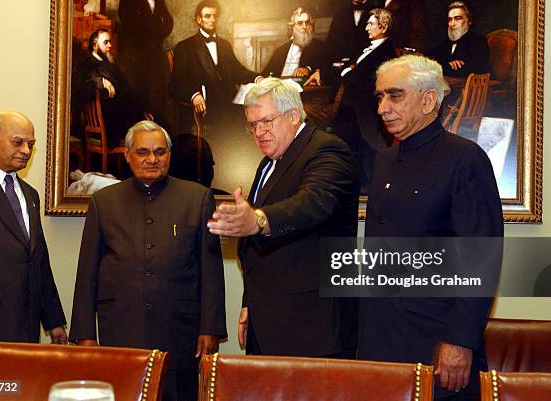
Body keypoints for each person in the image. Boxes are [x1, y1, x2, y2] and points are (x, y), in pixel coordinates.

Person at [358, 55, 503, 400]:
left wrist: (460, 340)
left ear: (427, 100)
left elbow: (480, 258)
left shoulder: (465, 158)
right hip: (378, 337)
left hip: (434, 341)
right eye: (379, 97)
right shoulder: (384, 162)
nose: (382, 108)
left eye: (394, 96)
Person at [70, 120, 226, 401]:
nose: (152, 159)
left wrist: (210, 328)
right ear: (128, 155)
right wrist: (84, 333)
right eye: (142, 152)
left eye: (160, 151)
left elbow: (211, 269)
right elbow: (87, 272)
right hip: (120, 333)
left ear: (169, 155)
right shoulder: (104, 202)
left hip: (181, 335)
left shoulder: (198, 198)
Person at [207, 77, 360, 358]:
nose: (259, 132)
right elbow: (258, 253)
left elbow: (313, 202)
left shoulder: (327, 149)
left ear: (292, 115)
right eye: (253, 125)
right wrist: (249, 302)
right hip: (268, 322)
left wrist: (259, 221)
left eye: (267, 121)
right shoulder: (269, 163)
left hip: (311, 328)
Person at [0, 111, 67, 359]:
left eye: (31, 144)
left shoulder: (31, 195)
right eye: (18, 142)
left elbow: (38, 261)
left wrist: (53, 319)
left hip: (24, 329)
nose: (27, 151)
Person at [168, 0, 259, 133]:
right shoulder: (185, 47)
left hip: (230, 104)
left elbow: (238, 71)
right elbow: (175, 84)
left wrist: (258, 78)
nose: (212, 20)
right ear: (199, 19)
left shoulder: (224, 45)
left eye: (214, 16)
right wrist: (194, 95)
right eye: (207, 16)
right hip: (205, 109)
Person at [336, 7, 396, 192]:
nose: (366, 28)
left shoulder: (386, 53)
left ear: (383, 27)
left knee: (365, 161)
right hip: (354, 112)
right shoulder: (370, 49)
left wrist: (346, 72)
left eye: (371, 24)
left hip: (366, 115)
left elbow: (367, 84)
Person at [73, 28, 142, 148]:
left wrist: (142, 111)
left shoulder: (111, 64)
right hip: (108, 129)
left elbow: (129, 89)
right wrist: (98, 82)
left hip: (119, 121)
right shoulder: (86, 65)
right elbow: (76, 92)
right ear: (95, 46)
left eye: (110, 42)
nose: (110, 45)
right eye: (106, 42)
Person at [118, 0, 174, 123]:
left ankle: (154, 128)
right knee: (137, 93)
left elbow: (169, 21)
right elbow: (130, 23)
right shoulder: (128, 2)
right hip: (135, 56)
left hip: (154, 54)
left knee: (155, 92)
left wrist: (156, 31)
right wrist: (155, 27)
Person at [262, 8, 328, 86]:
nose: (304, 26)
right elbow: (266, 74)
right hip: (278, 88)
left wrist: (308, 69)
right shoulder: (281, 50)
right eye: (300, 23)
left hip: (303, 90)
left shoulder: (319, 47)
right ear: (292, 27)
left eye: (307, 23)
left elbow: (325, 66)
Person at [427, 1, 489, 78]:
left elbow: (467, 71)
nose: (452, 24)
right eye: (450, 20)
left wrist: (444, 66)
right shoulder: (446, 43)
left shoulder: (479, 42)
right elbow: (428, 59)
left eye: (458, 18)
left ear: (469, 21)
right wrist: (447, 64)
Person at [326, 0, 382, 64]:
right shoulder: (340, 14)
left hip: (369, 62)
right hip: (342, 63)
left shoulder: (379, 12)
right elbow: (331, 44)